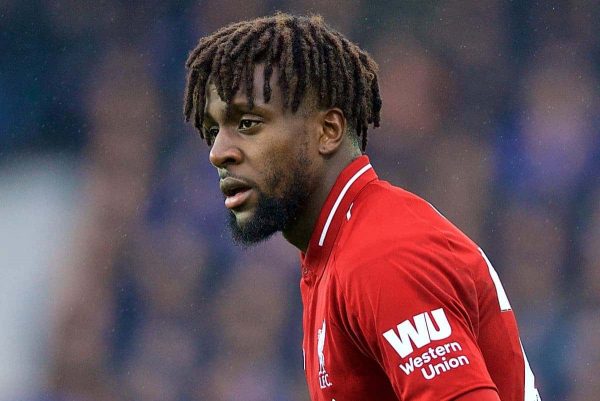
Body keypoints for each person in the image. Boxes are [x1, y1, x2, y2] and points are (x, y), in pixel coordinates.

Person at [183, 12, 541, 401]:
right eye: (213, 131)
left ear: (328, 131)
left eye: (249, 123)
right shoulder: (334, 253)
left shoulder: (381, 256)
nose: (219, 153)